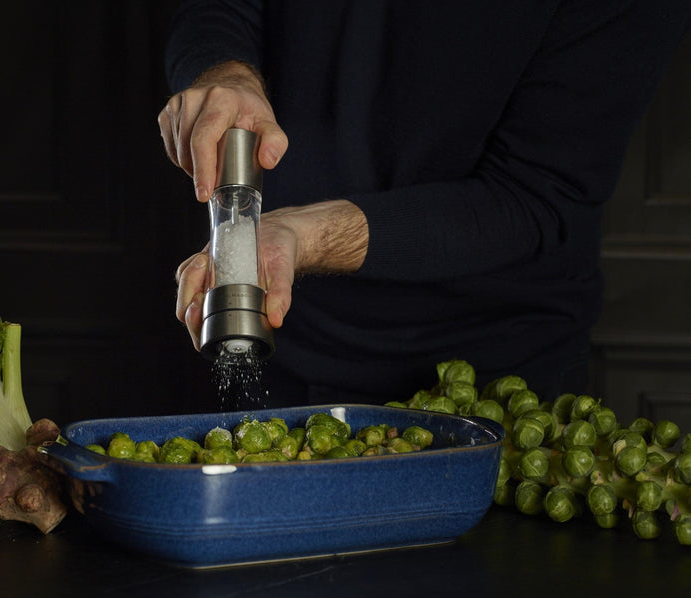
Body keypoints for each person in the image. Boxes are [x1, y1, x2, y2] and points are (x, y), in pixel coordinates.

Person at [158, 0, 691, 407]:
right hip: (286, 334)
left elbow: (536, 194)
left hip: (498, 379)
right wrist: (222, 72)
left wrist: (305, 235)